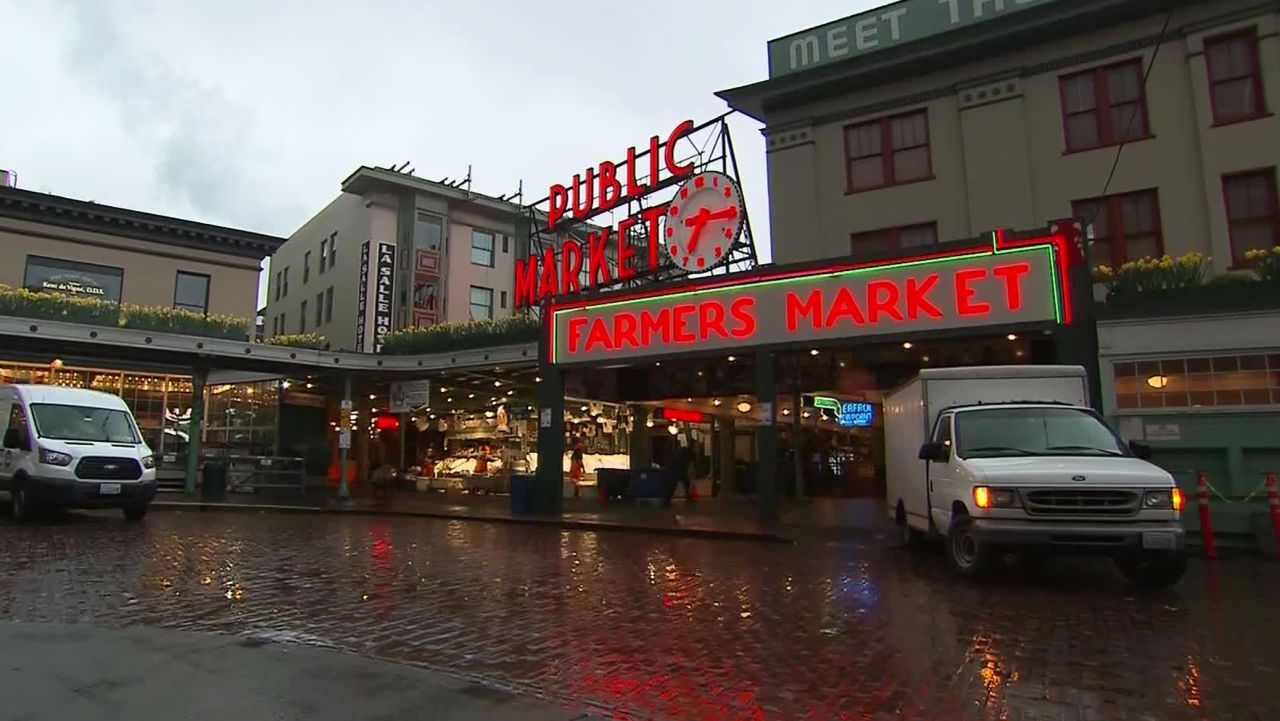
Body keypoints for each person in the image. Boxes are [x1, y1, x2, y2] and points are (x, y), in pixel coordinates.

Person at [663, 440, 695, 507]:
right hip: (680, 470)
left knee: (672, 486)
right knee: (685, 484)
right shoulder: (683, 453)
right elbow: (689, 460)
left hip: (674, 471)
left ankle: (667, 501)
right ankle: (688, 497)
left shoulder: (674, 453)